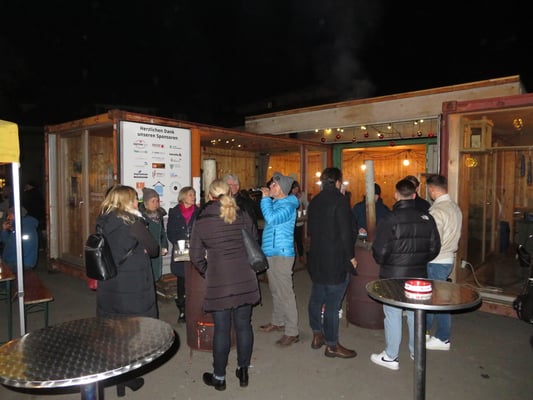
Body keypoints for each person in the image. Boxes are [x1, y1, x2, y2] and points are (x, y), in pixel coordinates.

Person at [189, 179, 261, 391]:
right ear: (229, 193)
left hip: (219, 281)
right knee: (244, 325)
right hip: (245, 277)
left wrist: (208, 270)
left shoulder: (203, 218)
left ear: (210, 196)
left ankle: (219, 377)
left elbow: (195, 256)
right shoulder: (242, 213)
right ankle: (243, 370)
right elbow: (254, 239)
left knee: (222, 329)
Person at [95, 185, 159, 397]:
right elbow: (154, 249)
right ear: (126, 201)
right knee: (132, 334)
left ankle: (119, 378)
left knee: (115, 333)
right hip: (132, 286)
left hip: (110, 284)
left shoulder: (103, 221)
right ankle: (128, 377)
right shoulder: (133, 223)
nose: (137, 202)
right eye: (134, 199)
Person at [370, 178, 440, 370]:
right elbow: (435, 248)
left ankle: (391, 356)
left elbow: (379, 251)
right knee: (415, 313)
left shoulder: (389, 219)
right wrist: (420, 260)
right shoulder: (427, 218)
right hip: (418, 274)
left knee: (392, 313)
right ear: (414, 195)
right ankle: (416, 352)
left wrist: (386, 262)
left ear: (396, 195)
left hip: (392, 274)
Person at [307, 167, 358, 358]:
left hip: (317, 257)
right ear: (338, 182)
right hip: (335, 259)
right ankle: (332, 345)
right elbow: (346, 233)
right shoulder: (340, 201)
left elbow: (311, 230)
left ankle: (317, 334)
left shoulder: (315, 201)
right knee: (332, 303)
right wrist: (351, 257)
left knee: (317, 296)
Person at [258, 172, 300, 346]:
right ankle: (278, 321)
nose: (270, 186)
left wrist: (265, 199)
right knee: (275, 290)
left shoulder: (289, 205)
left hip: (283, 254)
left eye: (274, 184)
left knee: (286, 292)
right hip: (271, 252)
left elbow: (272, 219)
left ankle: (292, 331)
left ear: (282, 188)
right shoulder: (275, 203)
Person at [425, 174, 462, 351]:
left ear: (432, 189)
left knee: (440, 301)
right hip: (448, 258)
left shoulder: (437, 211)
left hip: (436, 260)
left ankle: (443, 337)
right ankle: (425, 331)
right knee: (434, 298)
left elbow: (433, 240)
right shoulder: (455, 207)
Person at [167, 186, 200, 323]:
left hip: (195, 249)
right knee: (182, 279)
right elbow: (170, 232)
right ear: (183, 196)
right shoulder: (174, 212)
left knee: (195, 279)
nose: (194, 197)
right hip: (181, 248)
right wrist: (180, 242)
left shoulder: (199, 212)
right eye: (191, 195)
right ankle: (182, 310)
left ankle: (195, 308)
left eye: (194, 194)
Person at [139, 187, 169, 282]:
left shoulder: (159, 216)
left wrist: (164, 246)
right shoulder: (140, 218)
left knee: (155, 276)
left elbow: (162, 233)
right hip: (146, 254)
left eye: (157, 201)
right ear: (146, 203)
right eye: (153, 201)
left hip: (157, 252)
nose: (156, 204)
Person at [291, 180, 308, 264]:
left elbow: (307, 204)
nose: (296, 190)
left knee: (299, 240)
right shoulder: (288, 196)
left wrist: (306, 213)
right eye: (294, 188)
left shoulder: (302, 195)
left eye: (297, 188)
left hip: (299, 221)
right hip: (290, 222)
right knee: (291, 241)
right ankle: (292, 258)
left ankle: (301, 256)